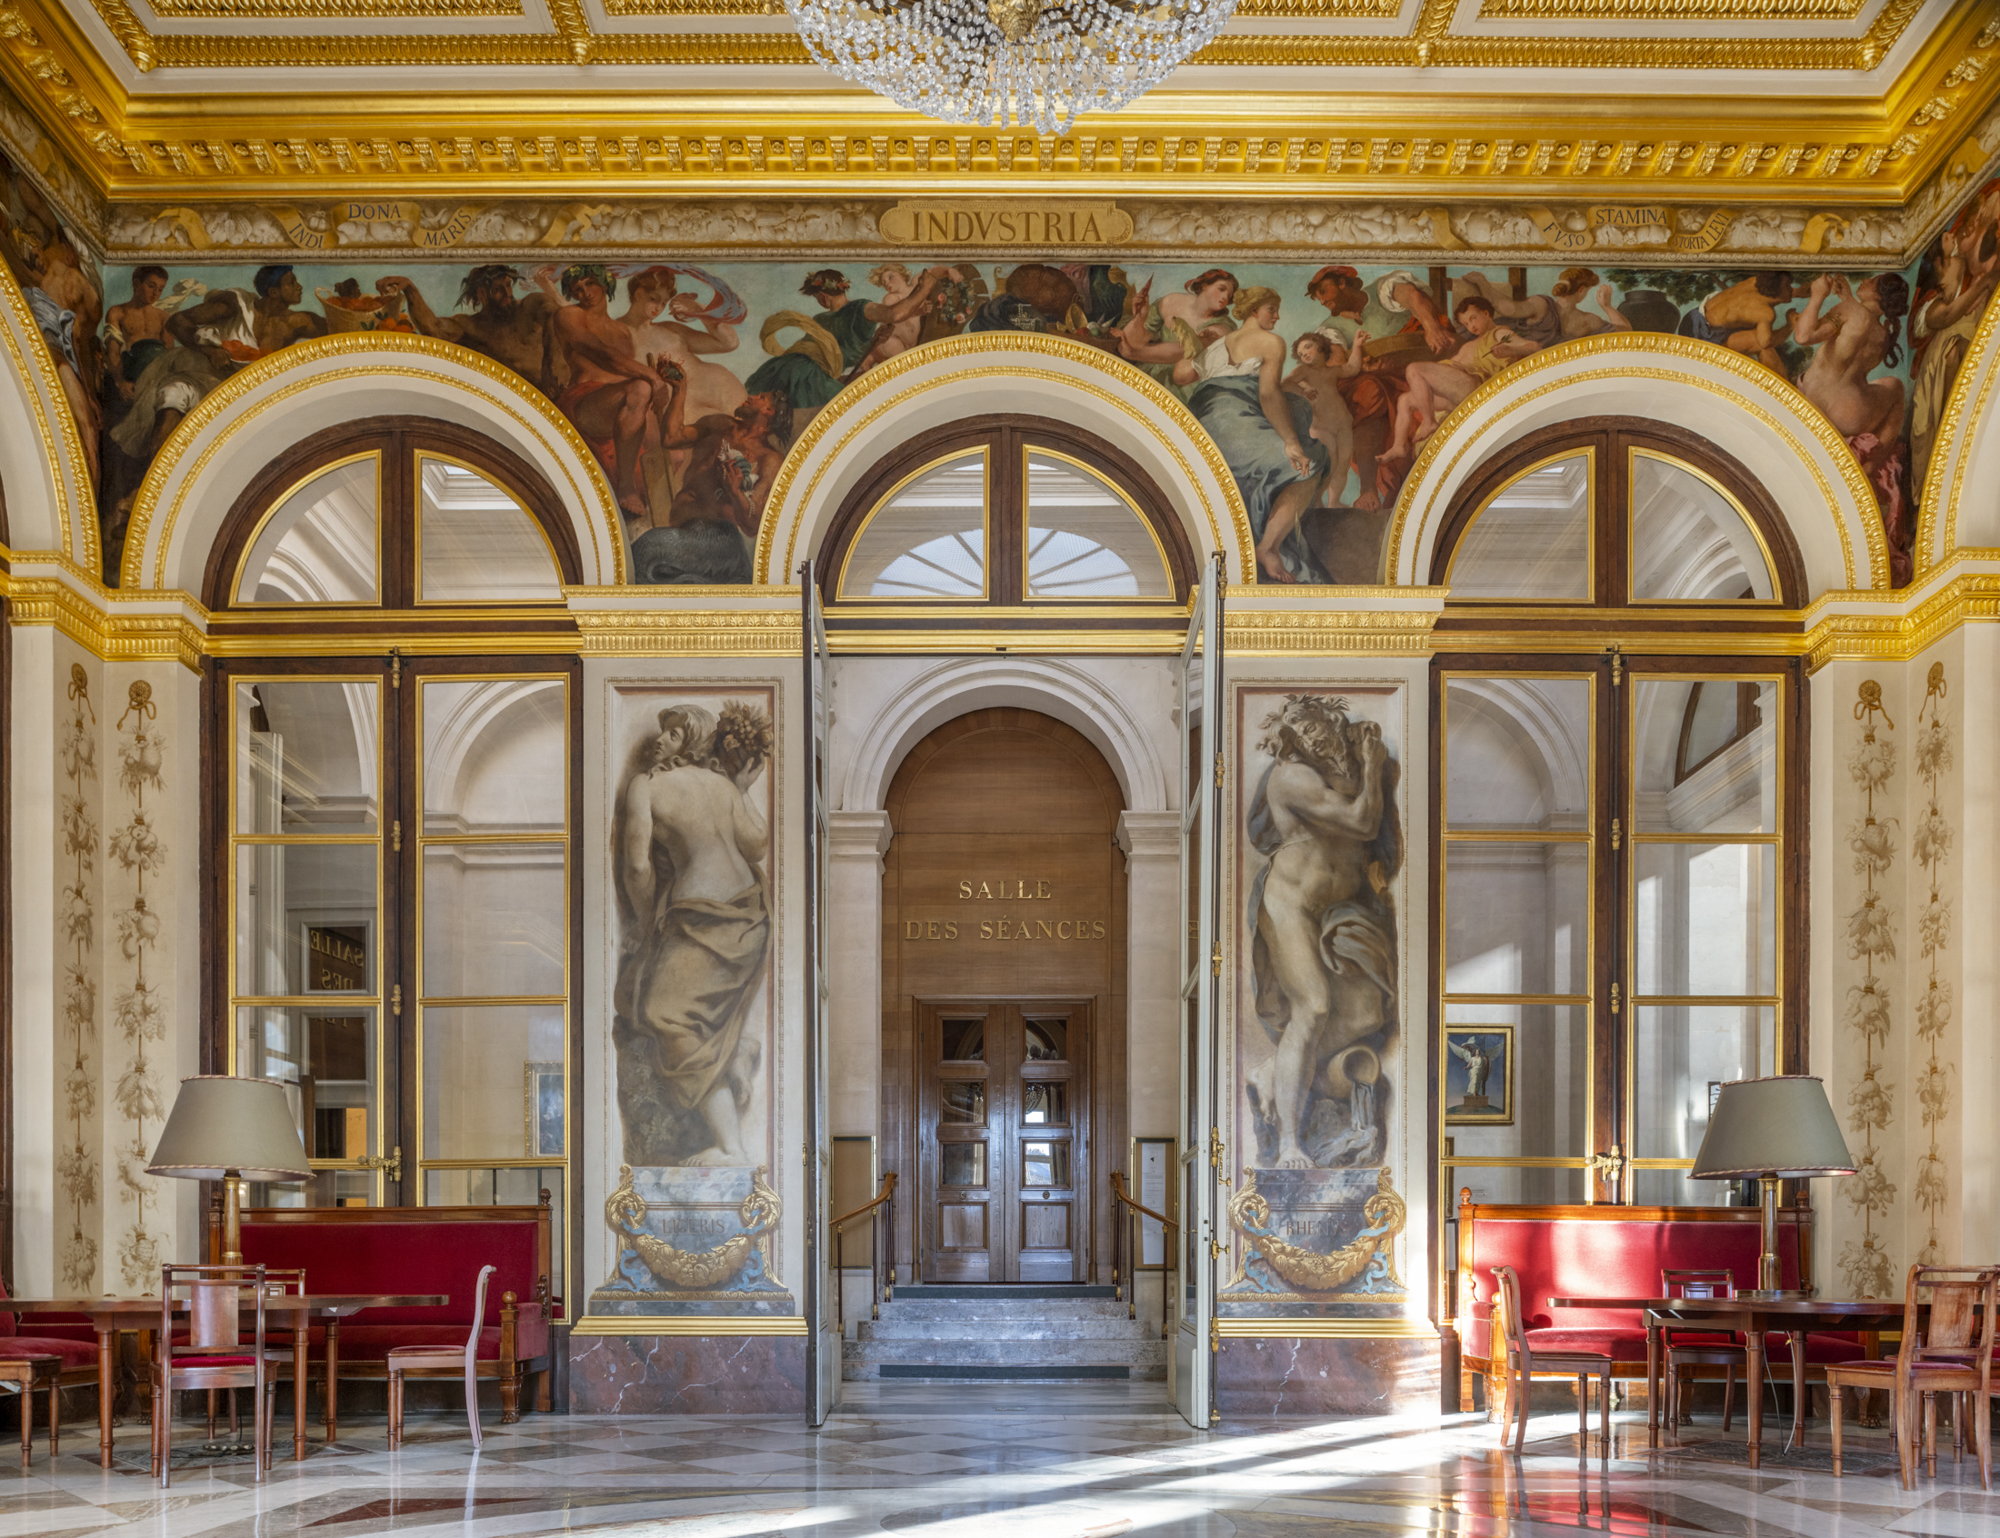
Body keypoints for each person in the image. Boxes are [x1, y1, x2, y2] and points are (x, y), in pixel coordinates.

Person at [1244, 695, 1401, 1170]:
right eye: (1302, 736)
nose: (1313, 741)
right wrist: (1373, 766)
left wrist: (1368, 764)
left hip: (1344, 909)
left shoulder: (1345, 771)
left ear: (1331, 724)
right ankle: (1290, 1144)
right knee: (1312, 1006)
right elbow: (1362, 821)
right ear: (1291, 744)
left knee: (1369, 1013)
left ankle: (1275, 1067)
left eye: (1316, 728)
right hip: (1291, 904)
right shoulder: (1292, 777)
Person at [615, 703, 771, 1167]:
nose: (660, 740)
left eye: (674, 734)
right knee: (684, 1013)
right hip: (749, 917)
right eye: (663, 732)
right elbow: (755, 844)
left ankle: (730, 1147)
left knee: (665, 1013)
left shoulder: (646, 786)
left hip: (705, 917)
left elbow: (637, 866)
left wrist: (644, 921)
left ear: (694, 742)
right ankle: (737, 1056)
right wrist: (740, 791)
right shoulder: (723, 786)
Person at [1183, 287, 1328, 582]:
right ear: (1253, 310)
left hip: (1204, 429)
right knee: (1309, 461)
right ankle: (1268, 547)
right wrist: (1290, 442)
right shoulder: (1271, 342)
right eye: (1271, 309)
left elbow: (1181, 376)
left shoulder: (1215, 345)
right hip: (1235, 425)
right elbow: (1268, 394)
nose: (1277, 316)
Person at [1792, 271, 1912, 578]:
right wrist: (1847, 299)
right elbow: (1860, 327)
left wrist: (1818, 295)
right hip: (1851, 411)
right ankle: (1871, 464)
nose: (1865, 281)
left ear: (1877, 293)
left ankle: (1868, 467)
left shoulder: (1848, 311)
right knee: (1895, 388)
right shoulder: (1882, 332)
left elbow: (1803, 336)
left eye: (1871, 281)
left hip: (1815, 403)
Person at [544, 263, 676, 527]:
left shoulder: (622, 331)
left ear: (605, 283)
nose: (584, 293)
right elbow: (599, 353)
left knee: (673, 451)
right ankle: (625, 486)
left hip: (621, 404)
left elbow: (624, 374)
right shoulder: (569, 315)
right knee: (641, 388)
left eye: (590, 283)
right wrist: (651, 378)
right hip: (585, 402)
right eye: (577, 289)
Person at [746, 267, 948, 436]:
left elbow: (893, 315)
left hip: (784, 368)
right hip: (809, 378)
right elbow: (892, 314)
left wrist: (876, 340)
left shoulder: (822, 318)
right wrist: (925, 288)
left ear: (823, 296)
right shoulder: (859, 308)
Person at [1380, 296, 1540, 465]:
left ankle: (1429, 422)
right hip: (1457, 393)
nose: (1471, 326)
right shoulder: (1469, 345)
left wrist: (1509, 349)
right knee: (1405, 400)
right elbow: (1450, 369)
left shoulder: (1499, 333)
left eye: (1473, 318)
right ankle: (1399, 446)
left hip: (1476, 388)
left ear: (1486, 314)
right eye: (1466, 324)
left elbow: (1535, 347)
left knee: (1414, 369)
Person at [377, 264, 560, 390]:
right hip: (522, 403)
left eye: (508, 285)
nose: (507, 293)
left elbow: (556, 316)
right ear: (482, 294)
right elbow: (433, 328)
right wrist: (410, 289)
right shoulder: (471, 326)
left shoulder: (529, 306)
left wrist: (549, 368)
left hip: (560, 390)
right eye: (498, 289)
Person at [1282, 331, 1369, 503]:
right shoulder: (1303, 370)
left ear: (1321, 347)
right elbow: (1285, 384)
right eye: (1301, 354)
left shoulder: (1332, 371)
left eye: (1308, 347)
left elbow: (1352, 368)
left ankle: (1334, 502)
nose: (1305, 354)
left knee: (1343, 464)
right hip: (1321, 425)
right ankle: (1316, 500)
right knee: (1329, 464)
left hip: (1343, 423)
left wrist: (1357, 346)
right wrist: (1303, 390)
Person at [1451, 267, 1632, 347]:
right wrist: (1607, 306)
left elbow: (1508, 308)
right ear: (1581, 290)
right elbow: (1626, 332)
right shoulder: (1588, 320)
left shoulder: (1542, 304)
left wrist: (1483, 283)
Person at [1677, 272, 1796, 371]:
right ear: (1775, 288)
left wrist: (1801, 291)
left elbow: (1787, 291)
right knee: (1760, 343)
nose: (1792, 289)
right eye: (1788, 286)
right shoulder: (1766, 313)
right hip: (1702, 338)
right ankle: (1782, 390)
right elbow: (1765, 343)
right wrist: (1790, 326)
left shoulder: (1753, 282)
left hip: (1692, 319)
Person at [103, 266, 172, 402]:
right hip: (129, 375)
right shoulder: (117, 312)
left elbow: (169, 354)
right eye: (151, 286)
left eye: (160, 289)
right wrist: (120, 382)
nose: (155, 293)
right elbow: (113, 352)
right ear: (136, 284)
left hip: (156, 377)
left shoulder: (163, 317)